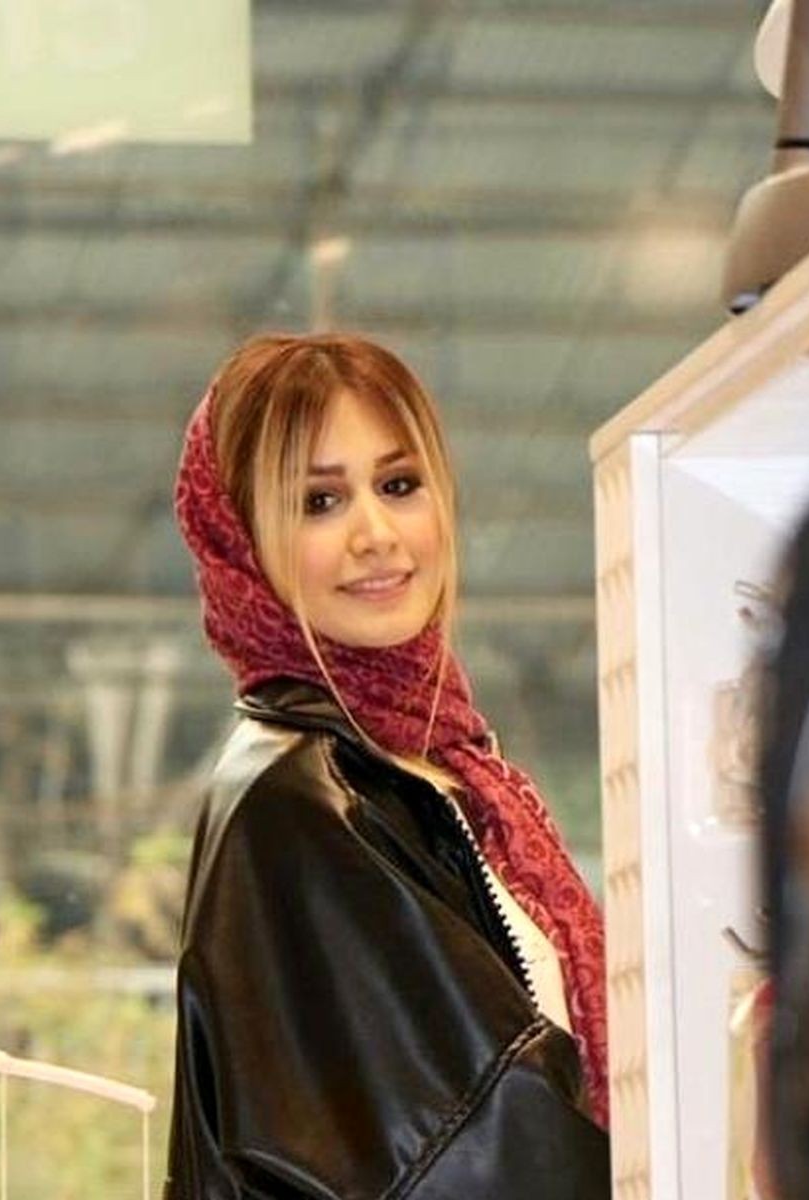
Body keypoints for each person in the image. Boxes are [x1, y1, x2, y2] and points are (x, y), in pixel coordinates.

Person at [163, 331, 610, 1199]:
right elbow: (469, 1153)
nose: (375, 534)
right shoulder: (301, 802)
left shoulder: (429, 768)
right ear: (240, 543)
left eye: (399, 485)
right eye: (320, 501)